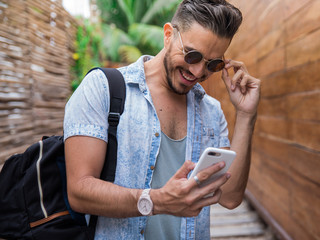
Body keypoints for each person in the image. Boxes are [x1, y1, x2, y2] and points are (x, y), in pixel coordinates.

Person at [63, 0, 260, 239]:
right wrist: (157, 201)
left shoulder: (211, 111)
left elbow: (229, 197)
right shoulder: (102, 88)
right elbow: (79, 191)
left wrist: (246, 114)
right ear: (168, 35)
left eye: (212, 64)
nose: (198, 72)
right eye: (192, 55)